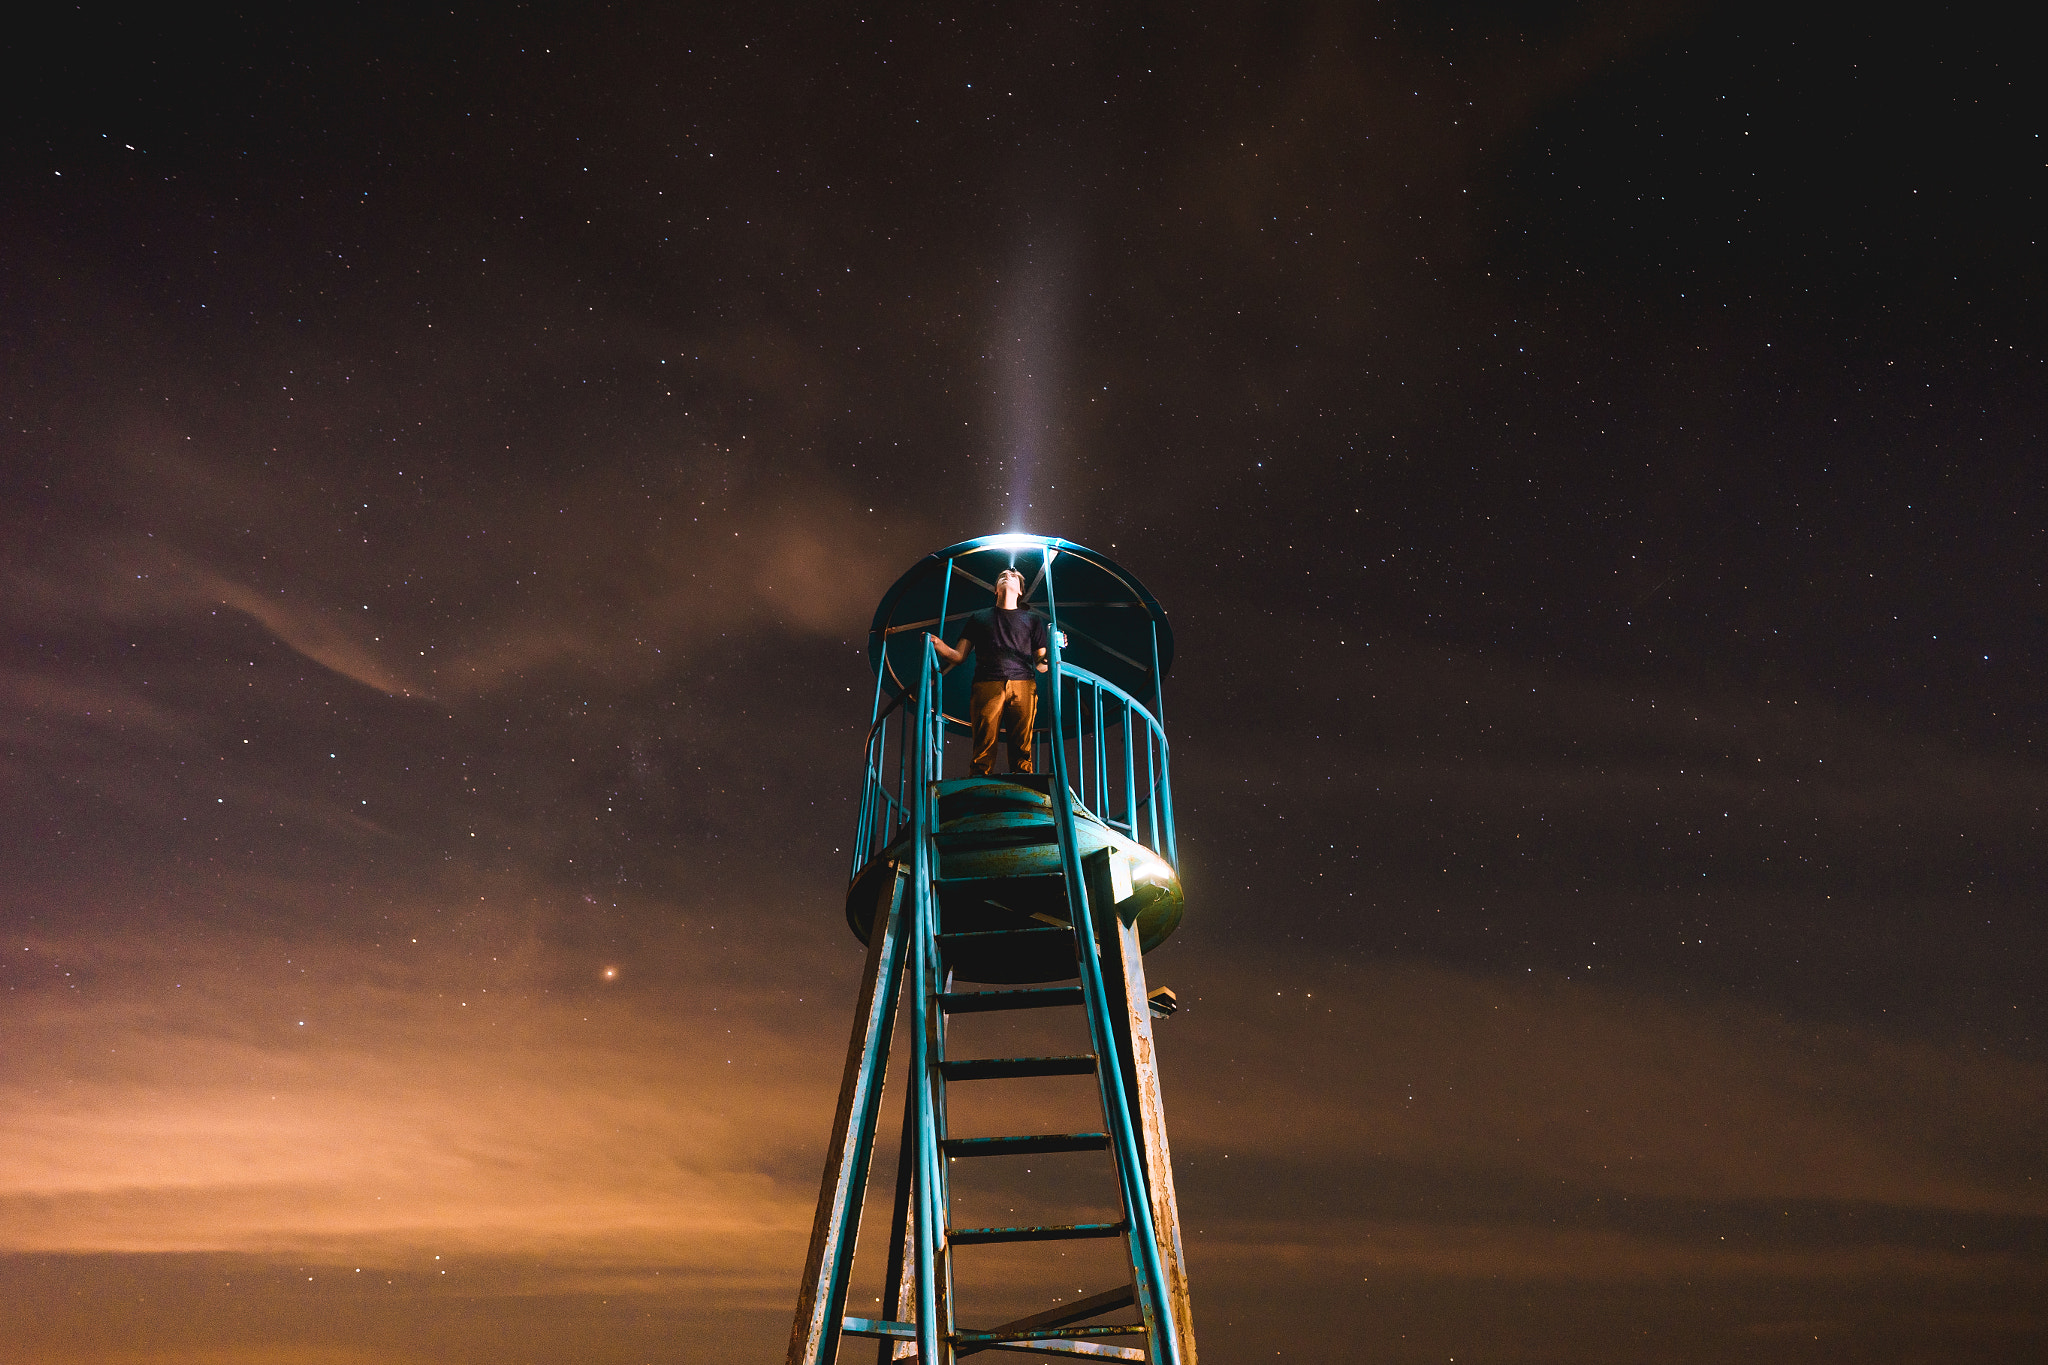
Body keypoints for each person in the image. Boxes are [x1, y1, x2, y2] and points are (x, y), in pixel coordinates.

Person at [929, 567, 1050, 775]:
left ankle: (1024, 784)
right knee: (984, 741)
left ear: (1020, 591)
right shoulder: (979, 617)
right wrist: (937, 644)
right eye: (1002, 575)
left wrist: (1053, 652)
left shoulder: (1032, 620)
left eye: (1013, 576)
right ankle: (978, 782)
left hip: (1023, 683)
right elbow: (959, 656)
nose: (1007, 575)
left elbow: (1041, 664)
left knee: (1022, 743)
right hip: (987, 683)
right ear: (996, 589)